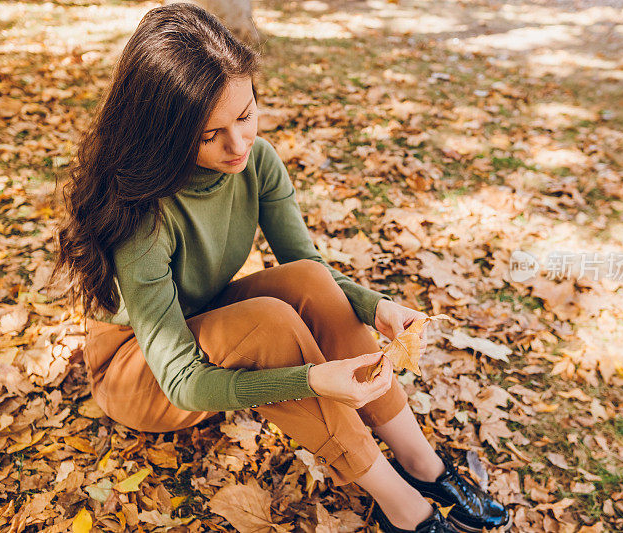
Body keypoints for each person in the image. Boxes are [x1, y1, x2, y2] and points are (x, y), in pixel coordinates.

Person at [52, 3, 510, 532]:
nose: (238, 144)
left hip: (206, 325)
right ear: (166, 134)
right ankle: (403, 508)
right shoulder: (144, 217)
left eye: (245, 116)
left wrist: (376, 307)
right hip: (141, 374)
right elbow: (181, 380)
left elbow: (310, 269)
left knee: (309, 282)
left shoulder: (257, 163)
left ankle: (422, 464)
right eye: (210, 134)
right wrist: (312, 379)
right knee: (271, 323)